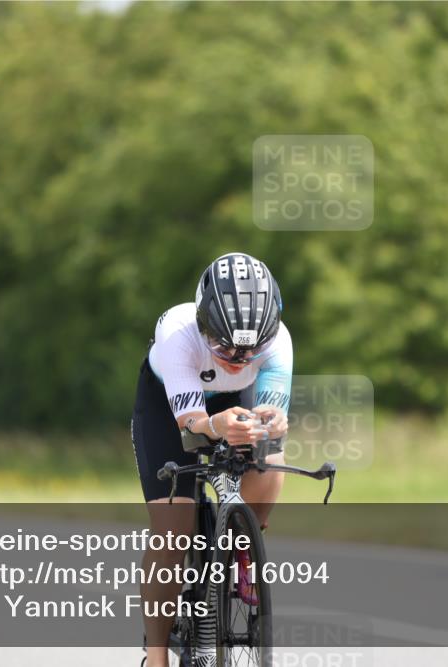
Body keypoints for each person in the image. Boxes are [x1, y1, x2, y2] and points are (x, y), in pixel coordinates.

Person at [131, 252, 292, 667]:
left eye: (250, 351)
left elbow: (274, 415)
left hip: (234, 402)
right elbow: (192, 423)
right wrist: (217, 426)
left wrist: (270, 423)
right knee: (173, 536)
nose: (236, 360)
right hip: (170, 411)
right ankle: (157, 654)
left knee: (272, 455)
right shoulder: (177, 332)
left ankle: (244, 547)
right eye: (222, 347)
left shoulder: (280, 341)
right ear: (203, 324)